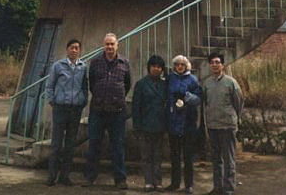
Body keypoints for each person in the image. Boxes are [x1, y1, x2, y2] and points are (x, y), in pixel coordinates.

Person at [82, 33, 131, 189]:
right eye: (107, 44)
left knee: (117, 145)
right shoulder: (95, 62)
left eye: (112, 44)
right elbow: (92, 84)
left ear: (117, 45)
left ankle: (120, 179)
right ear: (104, 46)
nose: (109, 47)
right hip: (98, 110)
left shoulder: (125, 63)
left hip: (117, 111)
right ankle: (90, 177)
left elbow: (127, 84)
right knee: (94, 144)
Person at [45, 38, 88, 186]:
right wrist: (53, 101)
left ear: (80, 50)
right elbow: (50, 85)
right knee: (56, 143)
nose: (74, 50)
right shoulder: (58, 66)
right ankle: (52, 176)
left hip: (75, 109)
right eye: (72, 47)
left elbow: (84, 86)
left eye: (77, 48)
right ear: (67, 49)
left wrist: (82, 101)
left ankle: (65, 176)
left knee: (70, 144)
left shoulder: (83, 67)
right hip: (60, 108)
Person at [203, 53, 244, 195]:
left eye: (217, 62)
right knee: (216, 160)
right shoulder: (207, 83)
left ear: (222, 65)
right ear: (209, 65)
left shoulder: (231, 82)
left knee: (229, 159)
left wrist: (234, 119)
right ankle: (217, 187)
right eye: (212, 62)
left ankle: (228, 188)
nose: (215, 65)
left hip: (227, 126)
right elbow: (206, 103)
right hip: (213, 126)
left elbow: (239, 102)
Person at [167, 54, 201, 195]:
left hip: (188, 122)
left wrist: (186, 96)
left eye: (182, 64)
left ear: (186, 66)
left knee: (188, 157)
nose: (179, 67)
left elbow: (199, 98)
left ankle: (189, 185)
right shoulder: (170, 79)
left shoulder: (192, 79)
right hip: (174, 122)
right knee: (174, 156)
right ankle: (175, 183)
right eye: (177, 65)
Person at [132, 54, 167, 192]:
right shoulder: (141, 84)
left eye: (159, 67)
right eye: (154, 66)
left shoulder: (165, 84)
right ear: (149, 68)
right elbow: (136, 107)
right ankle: (148, 181)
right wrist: (137, 126)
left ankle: (158, 182)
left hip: (160, 125)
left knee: (158, 156)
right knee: (146, 156)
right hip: (145, 125)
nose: (156, 69)